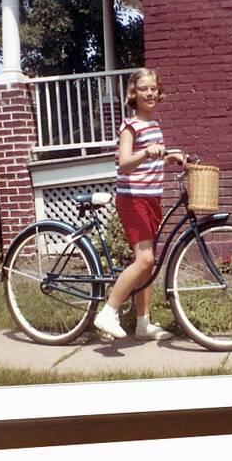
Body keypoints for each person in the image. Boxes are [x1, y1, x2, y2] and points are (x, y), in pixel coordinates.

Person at [94, 68, 184, 340]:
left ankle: (143, 323)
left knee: (148, 263)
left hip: (151, 198)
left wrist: (168, 158)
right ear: (133, 94)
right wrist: (146, 152)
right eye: (144, 88)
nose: (150, 93)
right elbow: (124, 162)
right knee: (145, 259)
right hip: (132, 199)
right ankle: (108, 311)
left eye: (154, 88)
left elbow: (150, 159)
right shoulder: (130, 126)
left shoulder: (154, 126)